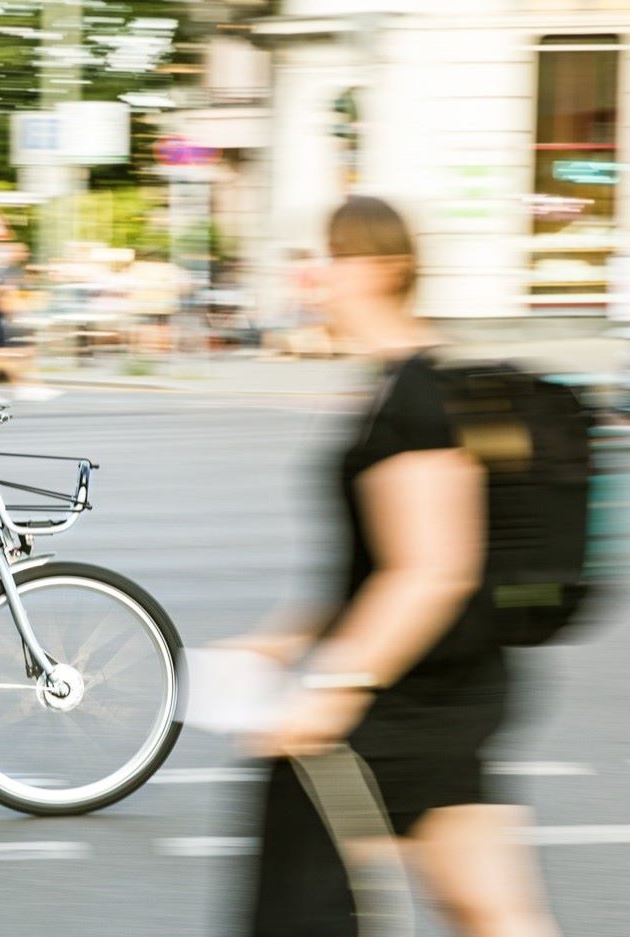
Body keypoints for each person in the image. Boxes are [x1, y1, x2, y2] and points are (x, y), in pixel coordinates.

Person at [231, 196, 558, 937]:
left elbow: (434, 569)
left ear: (385, 268)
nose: (315, 275)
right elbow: (376, 562)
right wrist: (284, 638)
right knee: (492, 907)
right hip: (445, 682)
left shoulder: (419, 399)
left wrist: (332, 691)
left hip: (416, 695)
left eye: (334, 256)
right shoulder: (397, 386)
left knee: (300, 887)